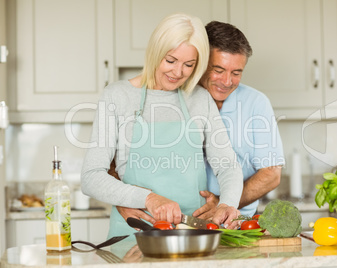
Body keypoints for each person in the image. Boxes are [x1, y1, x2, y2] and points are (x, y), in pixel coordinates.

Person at [81, 13, 243, 241]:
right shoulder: (117, 96)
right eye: (171, 60)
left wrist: (228, 203)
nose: (178, 73)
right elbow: (91, 177)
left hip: (193, 236)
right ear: (155, 52)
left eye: (189, 65)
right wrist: (149, 198)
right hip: (134, 234)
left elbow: (227, 164)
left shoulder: (200, 99)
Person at [192, 21, 285, 219]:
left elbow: (271, 174)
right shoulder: (181, 97)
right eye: (218, 70)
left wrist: (224, 203)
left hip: (236, 224)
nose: (227, 82)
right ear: (200, 62)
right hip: (181, 222)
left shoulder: (256, 103)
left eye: (236, 73)